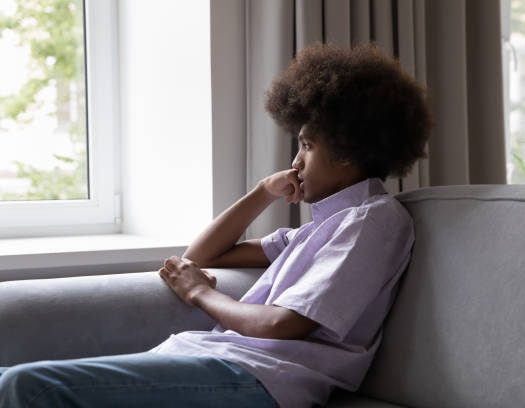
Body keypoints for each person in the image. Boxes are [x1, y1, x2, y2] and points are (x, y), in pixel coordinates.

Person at [0, 42, 433, 408]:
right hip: (217, 358)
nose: (296, 162)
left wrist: (201, 294)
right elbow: (200, 256)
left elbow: (282, 325)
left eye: (306, 146)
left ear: (347, 152)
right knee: (7, 378)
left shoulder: (373, 221)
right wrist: (263, 191)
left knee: (25, 387)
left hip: (264, 378)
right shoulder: (313, 232)